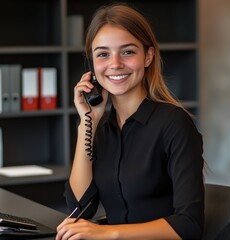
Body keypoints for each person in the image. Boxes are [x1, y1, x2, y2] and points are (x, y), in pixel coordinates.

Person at [56, 2, 205, 240]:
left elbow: (189, 225)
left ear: (148, 56)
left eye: (127, 52)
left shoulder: (174, 124)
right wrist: (88, 121)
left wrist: (108, 233)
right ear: (93, 65)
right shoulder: (101, 129)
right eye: (103, 54)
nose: (115, 64)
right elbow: (78, 208)